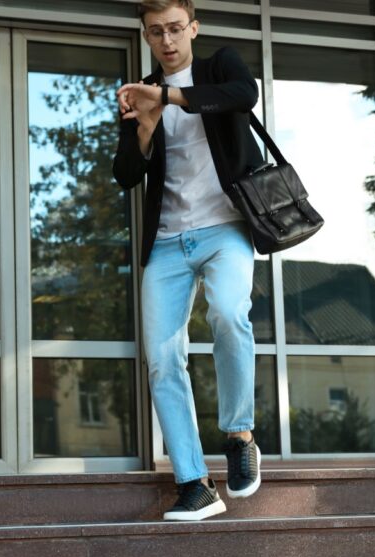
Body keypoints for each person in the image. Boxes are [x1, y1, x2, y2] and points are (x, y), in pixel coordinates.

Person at [112, 0, 263, 521]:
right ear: (147, 37)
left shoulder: (219, 66)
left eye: (176, 28)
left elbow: (245, 96)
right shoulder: (141, 96)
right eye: (157, 32)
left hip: (226, 229)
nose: (168, 40)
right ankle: (195, 483)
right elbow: (126, 173)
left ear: (192, 28)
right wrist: (147, 125)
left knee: (227, 313)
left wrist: (171, 96)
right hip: (169, 241)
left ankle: (240, 435)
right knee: (162, 355)